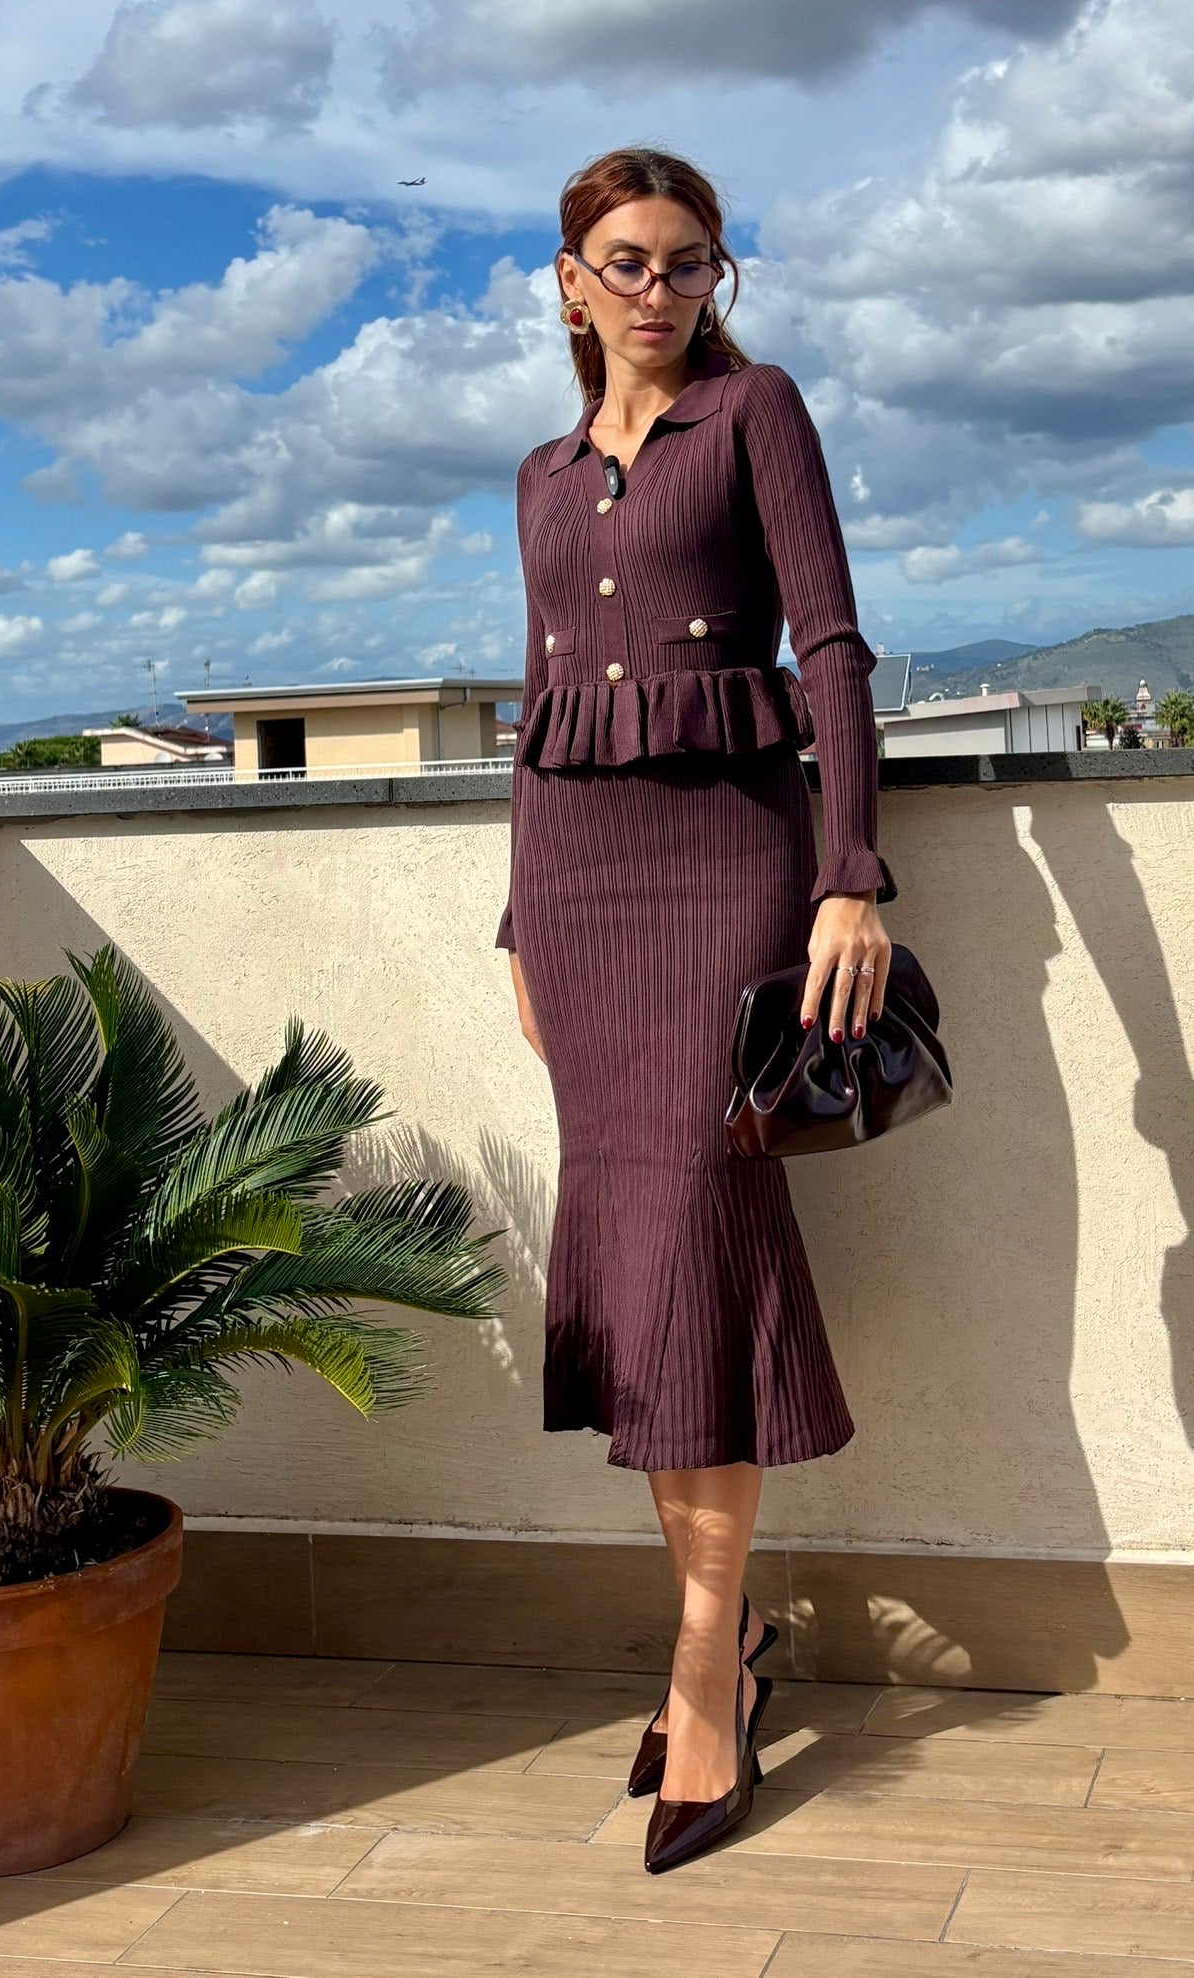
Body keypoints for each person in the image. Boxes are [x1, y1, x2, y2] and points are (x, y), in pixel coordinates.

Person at [494, 146, 895, 1873]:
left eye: (687, 262)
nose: (657, 289)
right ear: (568, 280)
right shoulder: (537, 475)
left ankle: (702, 1669)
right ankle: (715, 1641)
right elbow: (535, 704)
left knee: (699, 1245)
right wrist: (515, 919)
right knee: (641, 1261)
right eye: (626, 260)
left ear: (715, 278)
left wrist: (848, 871)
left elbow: (832, 652)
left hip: (728, 871)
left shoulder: (755, 415)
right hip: (576, 893)